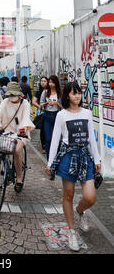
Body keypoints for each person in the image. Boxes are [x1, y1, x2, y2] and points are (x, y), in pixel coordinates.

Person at [46, 81, 101, 252]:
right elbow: (55, 139)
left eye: (79, 93)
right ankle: (71, 232)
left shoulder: (87, 113)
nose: (77, 96)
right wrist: (49, 163)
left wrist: (97, 159)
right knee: (68, 195)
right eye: (73, 93)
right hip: (68, 157)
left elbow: (91, 137)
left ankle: (80, 211)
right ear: (67, 96)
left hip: (85, 157)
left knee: (90, 197)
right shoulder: (62, 115)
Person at [0, 81, 35, 192]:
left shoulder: (25, 103)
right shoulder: (5, 102)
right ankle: (4, 163)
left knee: (17, 150)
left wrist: (23, 129)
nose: (11, 97)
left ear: (19, 94)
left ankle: (19, 179)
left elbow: (26, 117)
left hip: (21, 133)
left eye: (13, 94)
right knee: (0, 144)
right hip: (7, 131)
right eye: (10, 94)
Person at [40, 75, 62, 159]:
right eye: (50, 82)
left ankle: (56, 157)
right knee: (48, 138)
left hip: (57, 115)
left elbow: (63, 106)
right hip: (47, 115)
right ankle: (49, 159)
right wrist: (47, 103)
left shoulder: (60, 92)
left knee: (57, 138)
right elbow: (41, 105)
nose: (51, 84)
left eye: (52, 82)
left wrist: (56, 103)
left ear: (56, 83)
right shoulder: (45, 92)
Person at [32, 76, 48, 153]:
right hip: (42, 113)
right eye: (41, 81)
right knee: (43, 129)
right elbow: (33, 102)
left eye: (44, 81)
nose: (43, 82)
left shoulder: (51, 91)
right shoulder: (39, 91)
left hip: (51, 112)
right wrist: (40, 107)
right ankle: (44, 146)